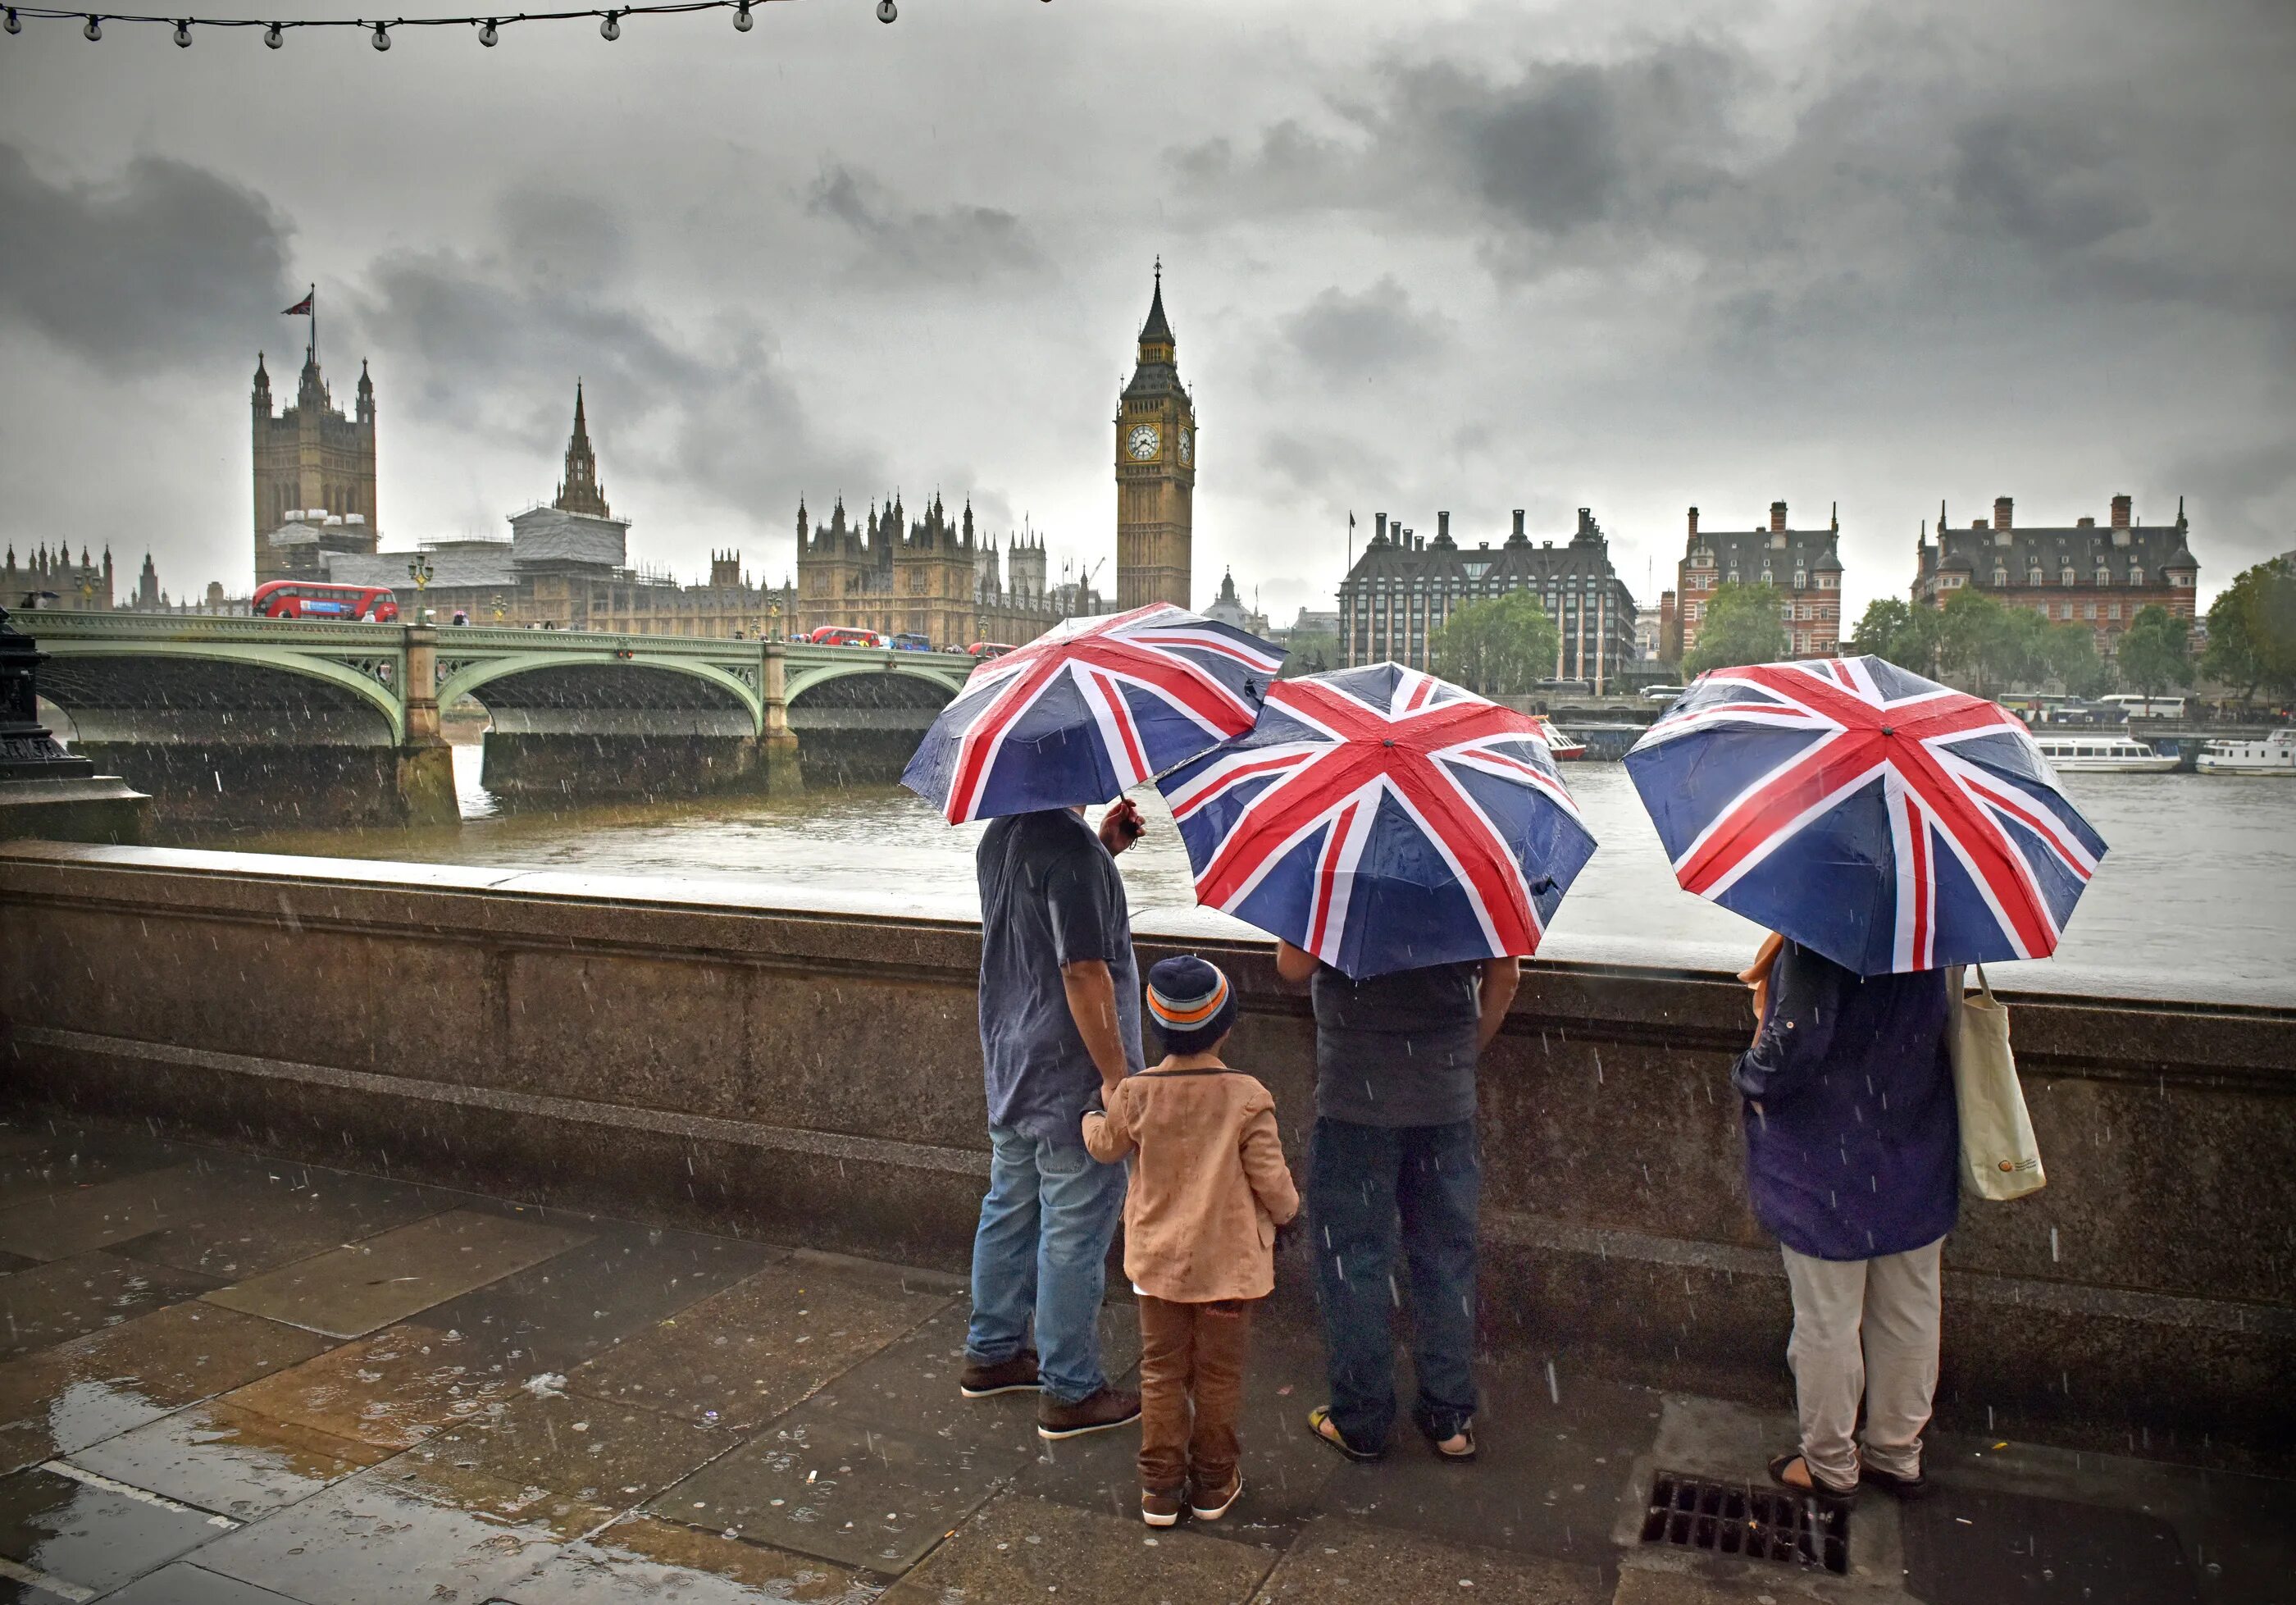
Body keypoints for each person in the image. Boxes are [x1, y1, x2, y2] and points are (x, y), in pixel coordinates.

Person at [1734, 931, 1957, 1506]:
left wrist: (1750, 1076)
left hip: (1826, 1155)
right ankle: (1897, 1452)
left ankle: (1832, 1464)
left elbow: (1794, 1041)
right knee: (1910, 1308)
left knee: (1827, 1319)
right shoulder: (1935, 921)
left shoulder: (1823, 925)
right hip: (1914, 1136)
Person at [1278, 939, 1519, 1462]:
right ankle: (1450, 1419)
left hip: (1354, 1096)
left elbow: (1291, 966)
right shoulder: (1472, 869)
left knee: (1353, 1260)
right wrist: (1459, 1054)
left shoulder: (1338, 864)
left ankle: (1361, 1420)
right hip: (1444, 1099)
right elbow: (1507, 977)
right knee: (1446, 1258)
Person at [1083, 955, 1300, 1528]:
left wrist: (1089, 1113)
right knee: (1218, 1375)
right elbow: (1272, 1182)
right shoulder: (1247, 1096)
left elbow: (1105, 1145)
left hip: (1159, 1265)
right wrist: (1290, 1213)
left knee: (1160, 1369)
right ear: (1225, 1026)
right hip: (1227, 1268)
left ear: (1157, 1030)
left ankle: (1158, 1487)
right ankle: (1211, 1481)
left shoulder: (1135, 1093)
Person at [960, 796, 1148, 1439]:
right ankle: (1069, 1388)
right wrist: (1118, 1078)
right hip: (1072, 1072)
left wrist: (1104, 848)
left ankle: (994, 1349)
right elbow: (1083, 970)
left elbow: (1037, 931)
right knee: (1075, 1223)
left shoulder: (1002, 834)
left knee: (1010, 1202)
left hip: (1013, 1055)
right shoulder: (1069, 853)